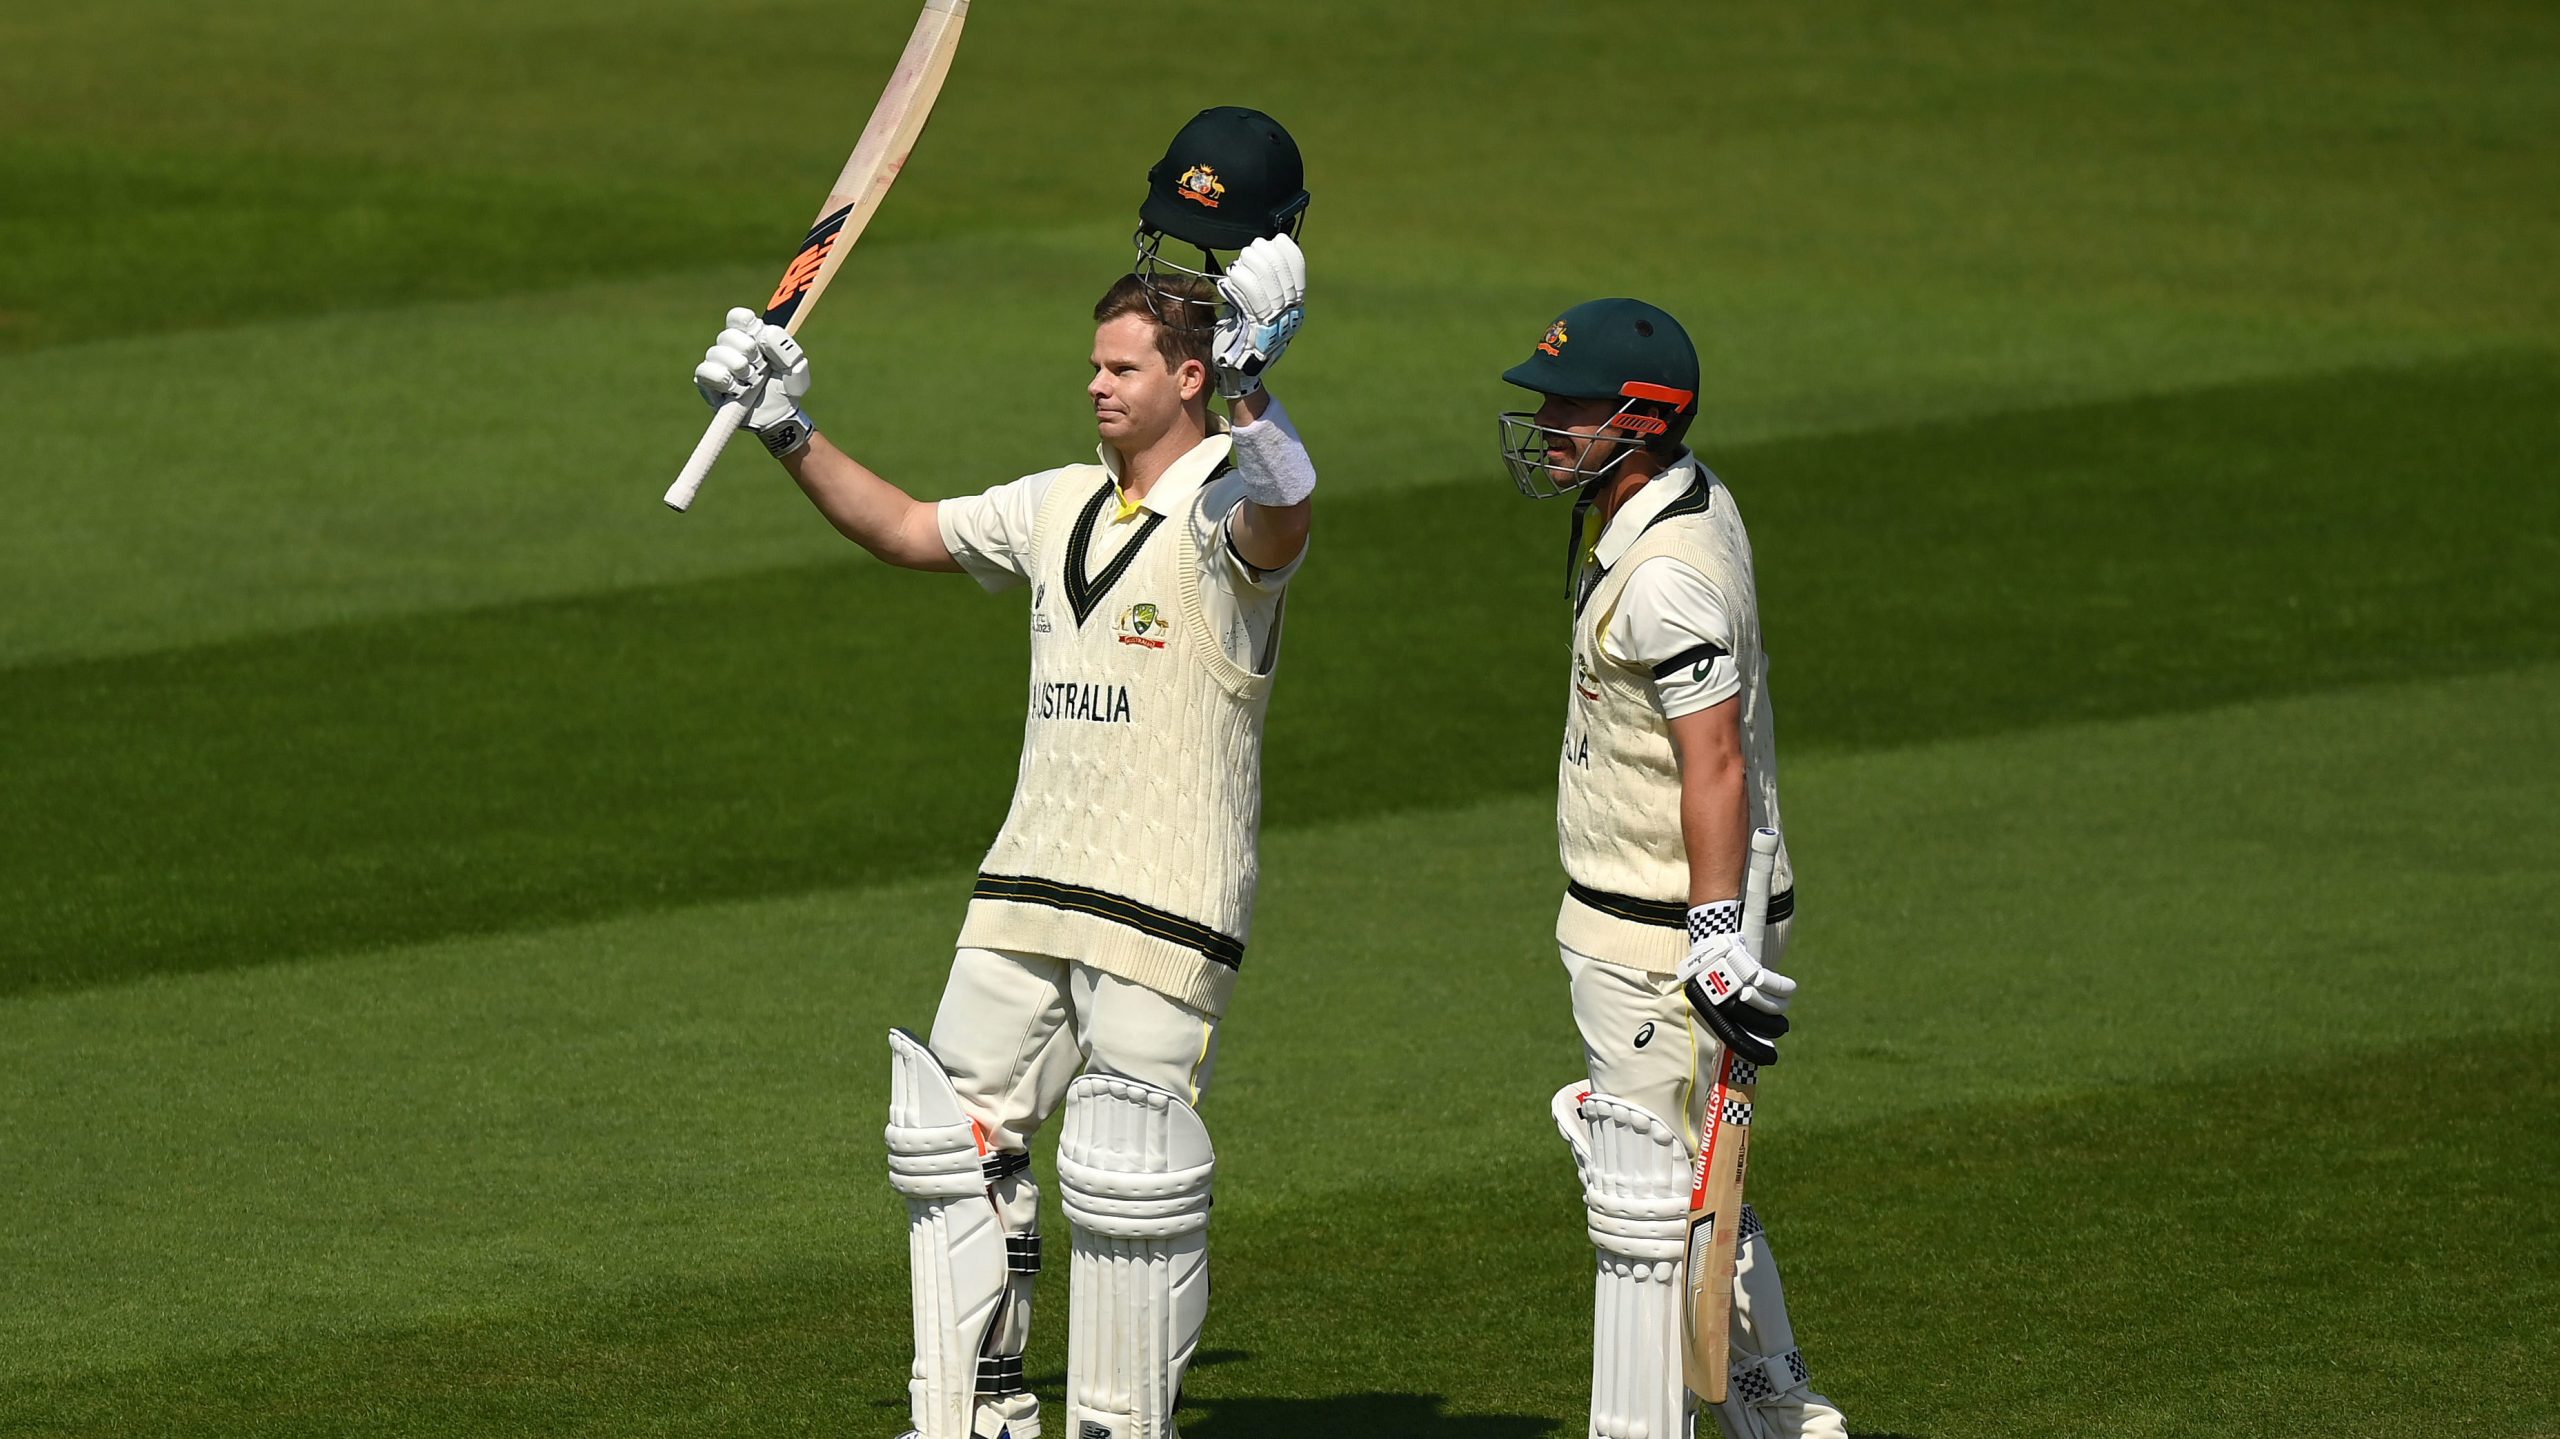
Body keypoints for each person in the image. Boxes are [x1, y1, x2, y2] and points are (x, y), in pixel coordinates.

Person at [684, 159, 1314, 1439]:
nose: (1095, 381)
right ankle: (974, 1409)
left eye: (1123, 367)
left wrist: (1259, 386)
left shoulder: (1224, 502)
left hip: (1163, 895)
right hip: (1030, 874)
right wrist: (787, 430)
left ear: (1187, 379)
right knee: (950, 1141)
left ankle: (1119, 1425)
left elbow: (1286, 517)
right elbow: (911, 528)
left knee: (1127, 1172)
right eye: (1094, 362)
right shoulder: (1054, 501)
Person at [1498, 299, 1848, 1439]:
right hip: (1665, 914)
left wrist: (1712, 937)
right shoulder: (1686, 499)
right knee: (1702, 1186)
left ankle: (1726, 1417)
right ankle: (1778, 1407)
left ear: (1642, 418)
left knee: (1650, 1204)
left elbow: (1713, 760)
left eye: (1571, 406)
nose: (1546, 423)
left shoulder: (1663, 576)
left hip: (1664, 929)